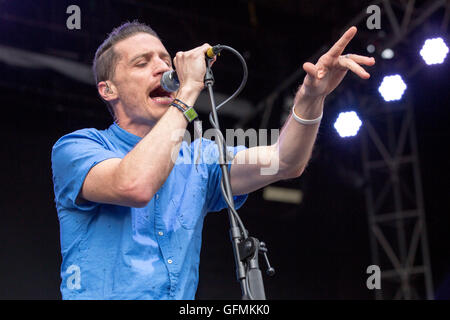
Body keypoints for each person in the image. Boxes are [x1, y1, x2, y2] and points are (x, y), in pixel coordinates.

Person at [51, 21, 375, 300]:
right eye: (141, 63)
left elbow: (285, 160)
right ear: (108, 90)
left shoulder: (199, 156)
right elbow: (135, 185)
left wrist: (311, 98)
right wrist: (188, 90)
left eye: (165, 59)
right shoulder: (77, 148)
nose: (163, 68)